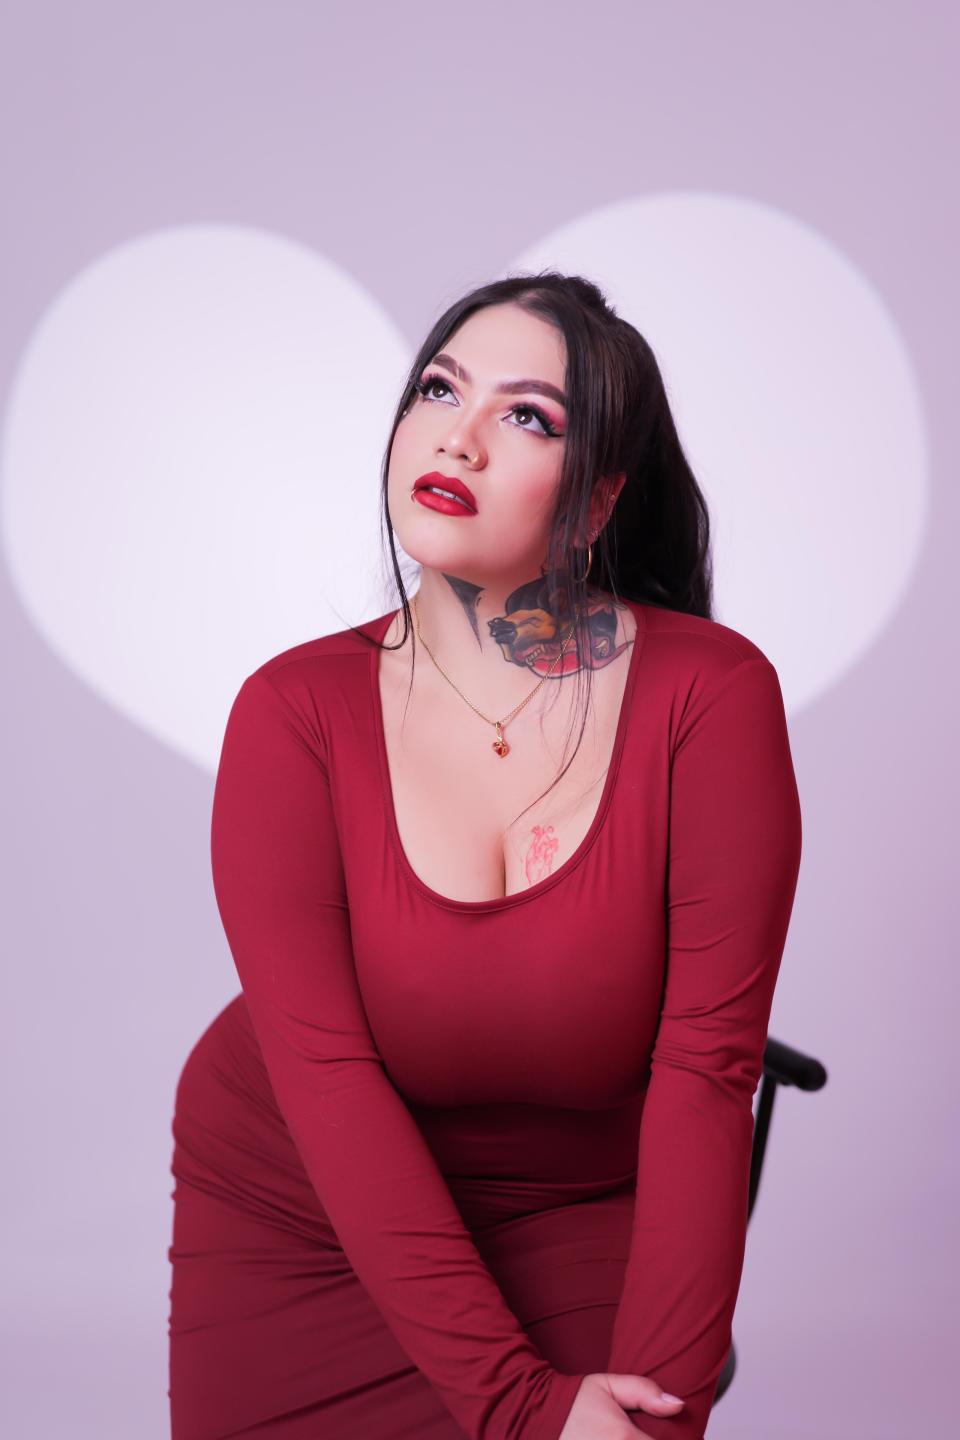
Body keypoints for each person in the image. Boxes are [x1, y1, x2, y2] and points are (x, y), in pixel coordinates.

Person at [167, 271, 803, 1439]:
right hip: (299, 1205)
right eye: (438, 389)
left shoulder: (708, 697)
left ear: (597, 500)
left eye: (526, 416)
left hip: (576, 1203)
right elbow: (329, 1081)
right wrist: (521, 1409)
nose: (457, 435)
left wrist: (657, 1419)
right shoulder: (291, 712)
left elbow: (708, 1073)